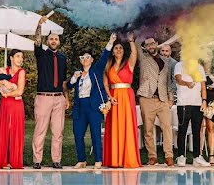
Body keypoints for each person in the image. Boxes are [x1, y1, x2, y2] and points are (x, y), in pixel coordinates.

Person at [70, 34, 115, 169]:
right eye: (82, 58)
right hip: (80, 107)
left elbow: (104, 57)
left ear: (91, 59)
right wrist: (73, 78)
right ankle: (82, 160)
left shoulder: (96, 70)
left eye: (87, 57)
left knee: (95, 133)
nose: (85, 60)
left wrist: (110, 42)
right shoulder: (78, 74)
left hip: (93, 105)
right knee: (78, 133)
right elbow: (69, 85)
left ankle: (98, 160)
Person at [32, 13, 69, 169]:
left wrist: (66, 98)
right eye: (51, 39)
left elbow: (64, 81)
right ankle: (37, 161)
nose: (54, 41)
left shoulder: (63, 58)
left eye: (56, 39)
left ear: (59, 42)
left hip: (59, 98)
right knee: (40, 130)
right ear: (48, 41)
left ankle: (56, 160)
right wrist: (39, 25)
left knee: (58, 131)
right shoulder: (41, 54)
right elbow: (36, 41)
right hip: (43, 97)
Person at [102, 33, 140, 168]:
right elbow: (105, 83)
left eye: (121, 48)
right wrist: (109, 97)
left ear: (124, 51)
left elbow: (134, 54)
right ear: (113, 51)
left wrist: (131, 41)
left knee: (127, 125)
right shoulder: (108, 65)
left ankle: (127, 158)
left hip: (126, 96)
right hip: (113, 97)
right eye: (116, 48)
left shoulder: (128, 64)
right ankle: (115, 159)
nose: (118, 50)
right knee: (114, 126)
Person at [136, 37, 174, 167]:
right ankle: (152, 157)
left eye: (152, 43)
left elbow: (168, 82)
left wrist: (170, 98)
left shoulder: (166, 61)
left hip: (163, 99)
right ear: (145, 47)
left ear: (156, 44)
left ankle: (169, 156)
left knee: (167, 128)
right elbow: (136, 43)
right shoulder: (143, 58)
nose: (151, 46)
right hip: (147, 98)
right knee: (148, 129)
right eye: (147, 45)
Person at [0, 49, 27, 169]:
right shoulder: (4, 70)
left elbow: (20, 91)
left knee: (14, 131)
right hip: (5, 105)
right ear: (11, 58)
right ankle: (4, 161)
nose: (20, 59)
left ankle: (14, 161)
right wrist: (3, 81)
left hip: (16, 105)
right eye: (18, 56)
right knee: (4, 131)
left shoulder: (21, 72)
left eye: (21, 57)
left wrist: (7, 94)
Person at [173, 57, 209, 167]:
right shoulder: (179, 65)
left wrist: (204, 100)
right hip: (183, 103)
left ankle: (197, 157)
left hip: (197, 103)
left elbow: (203, 86)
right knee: (182, 130)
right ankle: (181, 157)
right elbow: (178, 79)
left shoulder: (199, 67)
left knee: (196, 131)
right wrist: (188, 83)